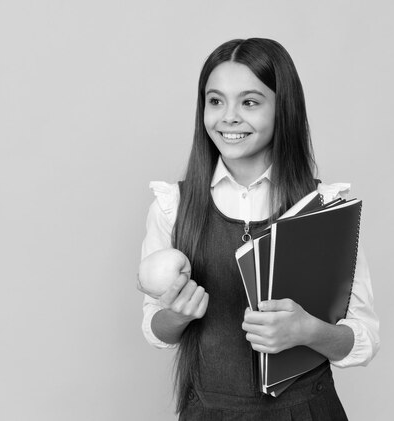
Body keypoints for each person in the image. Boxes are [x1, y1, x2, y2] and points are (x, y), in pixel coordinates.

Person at [140, 38, 380, 420]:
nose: (228, 117)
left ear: (282, 108)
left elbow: (363, 338)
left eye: (249, 102)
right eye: (215, 101)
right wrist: (178, 315)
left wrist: (307, 331)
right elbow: (156, 328)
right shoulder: (173, 207)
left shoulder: (323, 208)